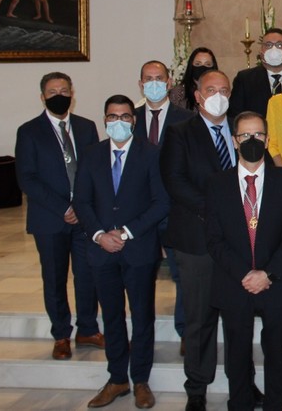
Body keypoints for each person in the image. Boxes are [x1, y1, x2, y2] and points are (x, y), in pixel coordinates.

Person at [161, 70, 263, 411]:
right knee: (200, 318)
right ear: (198, 95)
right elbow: (175, 182)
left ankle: (243, 383)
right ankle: (197, 387)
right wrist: (220, 211)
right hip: (197, 241)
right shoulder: (179, 133)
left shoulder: (241, 130)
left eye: (224, 89)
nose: (218, 95)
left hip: (240, 243)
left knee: (239, 319)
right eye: (211, 89)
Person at [73, 95, 168, 410]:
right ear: (104, 120)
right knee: (112, 316)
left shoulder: (151, 153)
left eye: (125, 116)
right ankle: (117, 379)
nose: (118, 122)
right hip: (101, 250)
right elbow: (82, 201)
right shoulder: (91, 154)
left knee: (142, 316)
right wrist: (100, 235)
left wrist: (126, 232)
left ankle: (140, 379)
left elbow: (161, 202)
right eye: (112, 117)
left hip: (138, 249)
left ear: (134, 120)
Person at [206, 111, 282, 411]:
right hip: (234, 282)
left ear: (267, 139)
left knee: (276, 351)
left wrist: (267, 273)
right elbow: (214, 239)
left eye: (258, 135)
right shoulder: (217, 183)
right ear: (235, 141)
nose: (252, 140)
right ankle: (240, 403)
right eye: (245, 135)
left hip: (276, 282)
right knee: (236, 353)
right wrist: (244, 274)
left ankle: (275, 404)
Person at [14, 72, 103, 359]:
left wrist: (81, 207)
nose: (59, 96)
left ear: (72, 94)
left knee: (87, 275)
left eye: (64, 91)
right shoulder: (29, 131)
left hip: (84, 218)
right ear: (42, 97)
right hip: (49, 219)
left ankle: (88, 328)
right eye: (53, 92)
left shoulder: (86, 127)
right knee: (54, 278)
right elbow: (27, 178)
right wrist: (64, 207)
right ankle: (61, 334)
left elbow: (94, 170)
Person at [134, 60, 195, 354]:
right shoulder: (129, 119)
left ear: (169, 82)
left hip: (175, 210)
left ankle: (185, 331)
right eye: (148, 78)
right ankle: (140, 332)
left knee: (182, 273)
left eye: (159, 78)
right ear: (140, 84)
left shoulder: (187, 119)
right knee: (139, 276)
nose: (154, 83)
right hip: (139, 212)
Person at [169, 47, 218, 111]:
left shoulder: (219, 92)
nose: (202, 68)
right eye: (198, 64)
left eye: (207, 64)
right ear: (191, 66)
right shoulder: (179, 93)